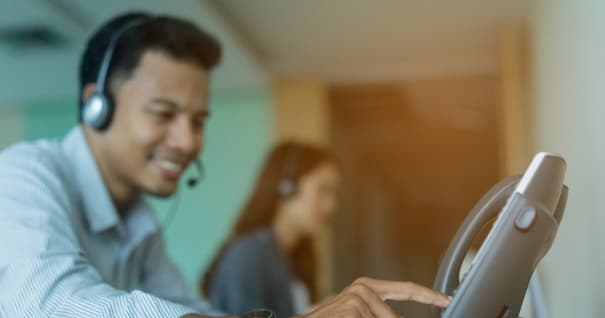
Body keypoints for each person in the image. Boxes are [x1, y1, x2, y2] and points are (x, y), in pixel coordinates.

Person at [0, 11, 450, 318]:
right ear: (96, 106)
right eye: (163, 114)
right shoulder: (23, 176)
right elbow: (51, 304)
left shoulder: (139, 226)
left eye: (198, 122)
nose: (187, 141)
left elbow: (198, 312)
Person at [201, 142, 340, 317]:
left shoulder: (294, 257)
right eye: (324, 189)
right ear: (287, 187)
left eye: (335, 193)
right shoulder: (249, 253)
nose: (332, 205)